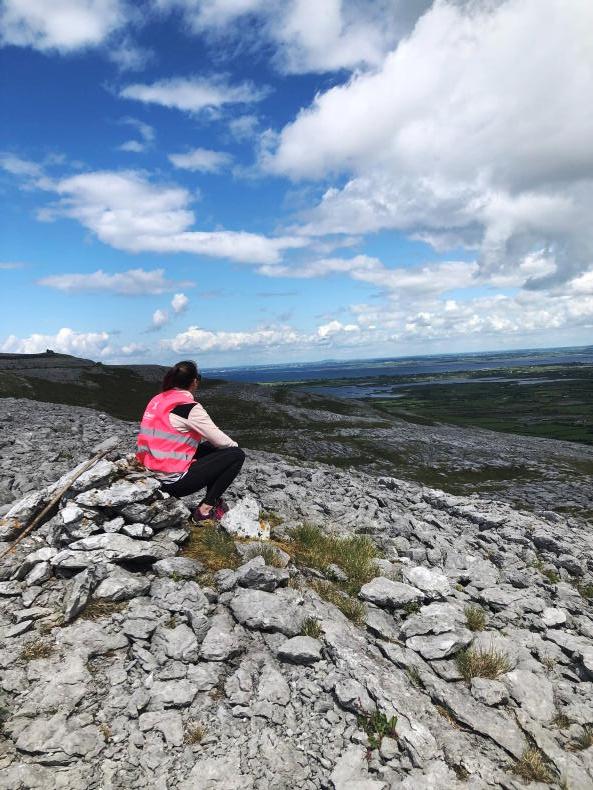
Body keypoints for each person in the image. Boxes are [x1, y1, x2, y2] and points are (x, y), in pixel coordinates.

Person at [136, 360, 245, 523]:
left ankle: (208, 505)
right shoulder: (188, 408)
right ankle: (205, 510)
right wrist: (231, 451)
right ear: (194, 381)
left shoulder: (157, 400)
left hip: (147, 475)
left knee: (212, 447)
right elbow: (223, 442)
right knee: (236, 455)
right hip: (171, 483)